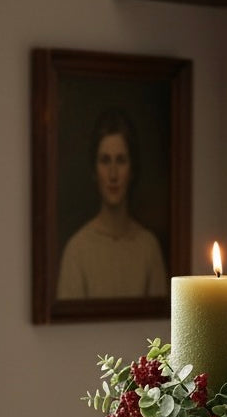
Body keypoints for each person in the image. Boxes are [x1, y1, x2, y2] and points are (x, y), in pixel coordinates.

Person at [57, 110, 167, 300]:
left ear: (132, 169)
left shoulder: (148, 248)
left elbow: (159, 325)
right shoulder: (77, 251)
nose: (113, 174)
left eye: (121, 160)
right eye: (105, 161)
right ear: (94, 170)